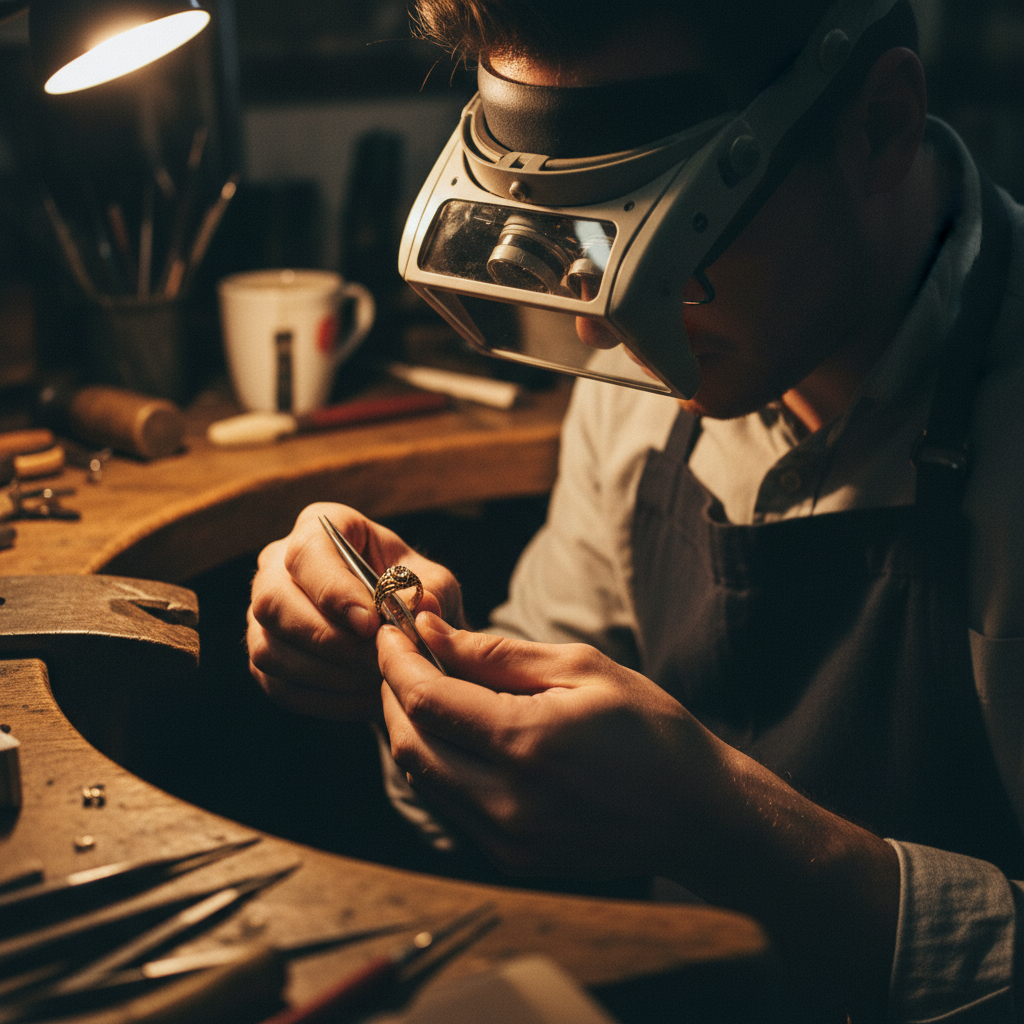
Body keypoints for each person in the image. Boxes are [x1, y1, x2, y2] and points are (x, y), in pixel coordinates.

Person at [246, 1, 1024, 1019]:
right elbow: (533, 773)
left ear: (878, 126)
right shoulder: (664, 368)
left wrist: (732, 833)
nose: (597, 319)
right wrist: (414, 682)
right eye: (589, 238)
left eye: (666, 244)